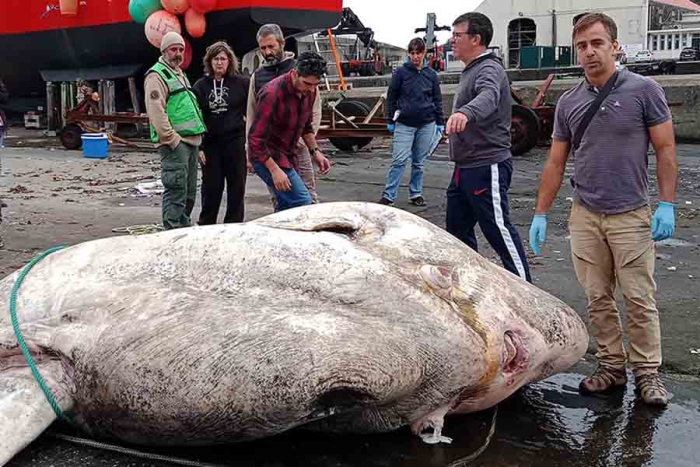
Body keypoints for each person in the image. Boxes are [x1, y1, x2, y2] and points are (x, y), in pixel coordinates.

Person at [529, 13, 677, 407]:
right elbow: (556, 162)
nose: (590, 52)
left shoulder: (644, 90)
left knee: (639, 298)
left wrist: (666, 204)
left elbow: (665, 149)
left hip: (630, 213)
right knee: (597, 298)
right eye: (582, 46)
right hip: (586, 214)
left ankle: (648, 373)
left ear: (614, 46)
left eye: (597, 43)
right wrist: (541, 213)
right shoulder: (569, 102)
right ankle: (611, 366)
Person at [444, 12, 531, 283]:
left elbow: (489, 97)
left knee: (497, 228)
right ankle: (470, 285)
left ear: (476, 39)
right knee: (456, 231)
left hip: (486, 164)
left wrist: (465, 113)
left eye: (457, 35)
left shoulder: (489, 69)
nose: (452, 41)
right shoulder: (471, 70)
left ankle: (526, 290)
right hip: (464, 166)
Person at [245, 23, 323, 206]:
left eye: (271, 46)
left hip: (297, 146)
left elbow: (310, 117)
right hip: (269, 150)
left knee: (305, 195)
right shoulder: (262, 80)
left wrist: (313, 149)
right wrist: (249, 151)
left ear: (281, 44)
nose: (267, 52)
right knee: (292, 198)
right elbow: (252, 115)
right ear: (295, 76)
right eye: (263, 48)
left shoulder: (307, 76)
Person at [144, 31, 206, 230]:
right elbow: (156, 109)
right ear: (164, 51)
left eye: (181, 49)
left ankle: (183, 227)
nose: (178, 53)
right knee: (176, 189)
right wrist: (171, 139)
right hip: (175, 143)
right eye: (173, 49)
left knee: (188, 192)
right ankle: (172, 230)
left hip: (190, 142)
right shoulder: (156, 75)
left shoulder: (179, 74)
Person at [379, 37, 444, 207]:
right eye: (412, 53)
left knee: (419, 163)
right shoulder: (400, 73)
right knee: (399, 160)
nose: (415, 56)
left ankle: (416, 193)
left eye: (419, 53)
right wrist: (390, 119)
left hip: (427, 124)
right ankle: (389, 195)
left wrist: (439, 122)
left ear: (424, 53)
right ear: (409, 53)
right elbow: (392, 96)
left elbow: (437, 99)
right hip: (405, 124)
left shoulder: (431, 75)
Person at [193, 41, 250, 224]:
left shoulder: (242, 83)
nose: (219, 63)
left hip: (235, 142)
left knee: (237, 187)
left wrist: (250, 143)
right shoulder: (201, 85)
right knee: (211, 188)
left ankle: (234, 225)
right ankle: (206, 224)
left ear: (230, 61)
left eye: (223, 59)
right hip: (211, 145)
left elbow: (253, 111)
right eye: (216, 59)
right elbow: (196, 117)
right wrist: (198, 147)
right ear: (210, 62)